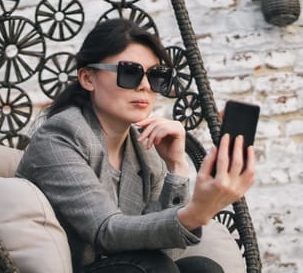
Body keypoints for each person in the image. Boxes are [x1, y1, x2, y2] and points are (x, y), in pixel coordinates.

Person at [15, 18, 255, 273]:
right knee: (148, 267)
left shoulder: (145, 152)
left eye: (156, 76)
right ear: (87, 78)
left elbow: (167, 251)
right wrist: (195, 213)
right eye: (129, 72)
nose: (144, 85)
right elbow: (106, 232)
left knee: (201, 268)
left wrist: (176, 166)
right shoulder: (59, 137)